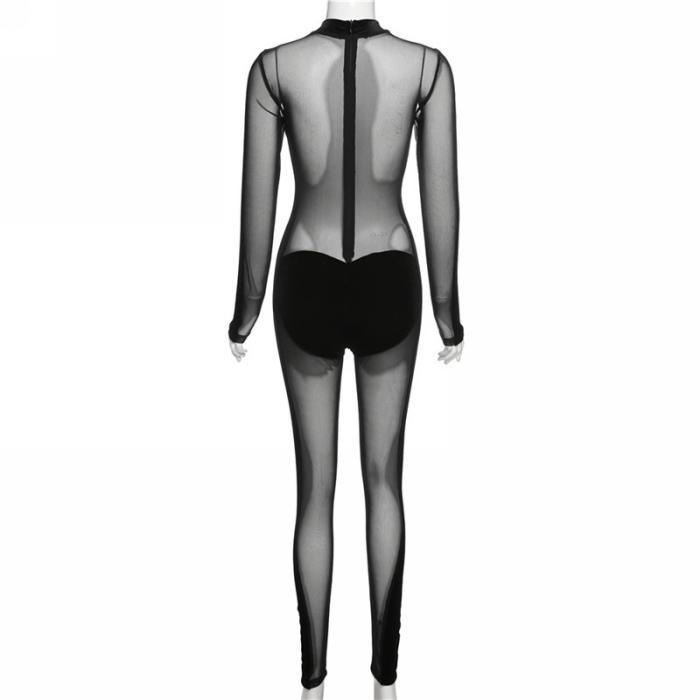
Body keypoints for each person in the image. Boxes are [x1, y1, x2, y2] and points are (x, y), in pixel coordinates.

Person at [228, 6, 464, 699]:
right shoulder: (427, 67)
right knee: (385, 482)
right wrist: (448, 317)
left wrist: (244, 314)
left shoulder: (274, 67)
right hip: (391, 273)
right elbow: (441, 200)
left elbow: (257, 204)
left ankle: (312, 687)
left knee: (315, 490)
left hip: (305, 272)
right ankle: (385, 686)